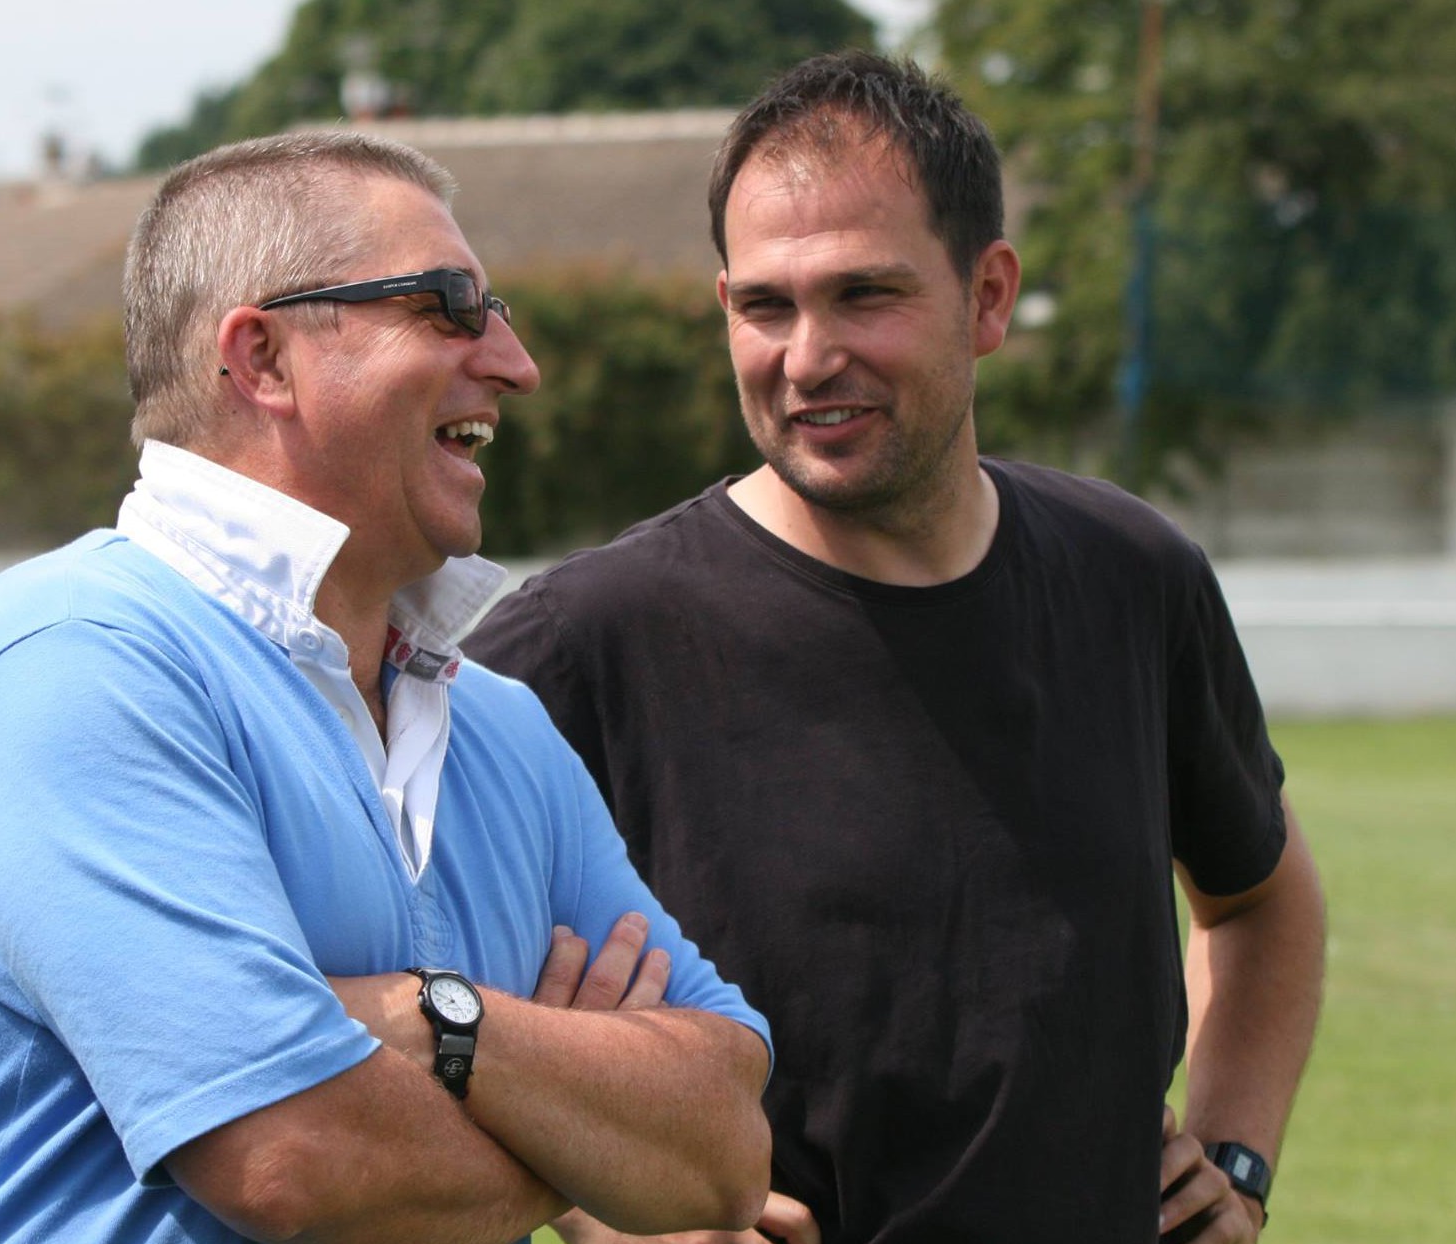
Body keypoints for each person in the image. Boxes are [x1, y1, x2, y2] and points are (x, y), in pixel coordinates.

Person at [0, 131, 774, 1244]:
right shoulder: (73, 661)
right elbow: (301, 1159)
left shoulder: (503, 727)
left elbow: (722, 1142)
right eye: (446, 305)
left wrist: (434, 1018)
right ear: (263, 358)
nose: (514, 363)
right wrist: (594, 1146)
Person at [464, 50, 1326, 1244]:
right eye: (768, 305)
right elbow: (423, 1014)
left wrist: (1235, 1154)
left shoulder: (1132, 576)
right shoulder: (581, 643)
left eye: (865, 294)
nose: (808, 356)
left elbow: (1262, 902)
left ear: (988, 295)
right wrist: (619, 1216)